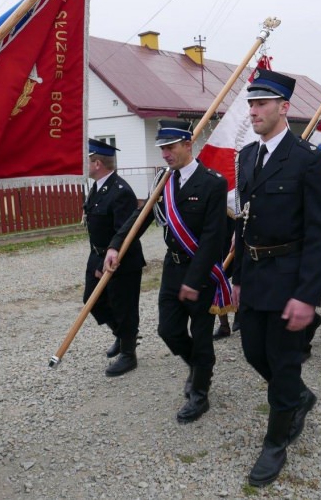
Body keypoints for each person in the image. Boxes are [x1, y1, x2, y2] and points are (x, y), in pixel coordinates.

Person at [232, 70, 321, 486]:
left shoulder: (307, 159)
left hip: (291, 278)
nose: (253, 110)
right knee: (252, 352)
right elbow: (245, 222)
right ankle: (297, 396)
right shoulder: (247, 156)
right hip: (256, 275)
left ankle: (276, 441)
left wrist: (308, 295)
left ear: (284, 108)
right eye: (251, 103)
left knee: (283, 359)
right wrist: (238, 275)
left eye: (261, 103)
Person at [105, 120, 228, 423]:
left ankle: (199, 393)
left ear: (188, 144)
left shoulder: (213, 182)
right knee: (168, 331)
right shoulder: (164, 181)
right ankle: (199, 368)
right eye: (162, 148)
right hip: (173, 269)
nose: (165, 154)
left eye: (170, 147)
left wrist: (195, 280)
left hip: (201, 272)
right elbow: (141, 215)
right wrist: (115, 245)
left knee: (201, 336)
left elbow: (214, 238)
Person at [83, 139, 145, 377]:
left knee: (123, 306)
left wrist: (104, 263)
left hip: (121, 260)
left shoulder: (121, 192)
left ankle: (128, 354)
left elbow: (124, 232)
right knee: (92, 300)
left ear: (97, 163)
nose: (86, 166)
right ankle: (122, 335)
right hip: (97, 255)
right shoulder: (98, 187)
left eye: (88, 162)